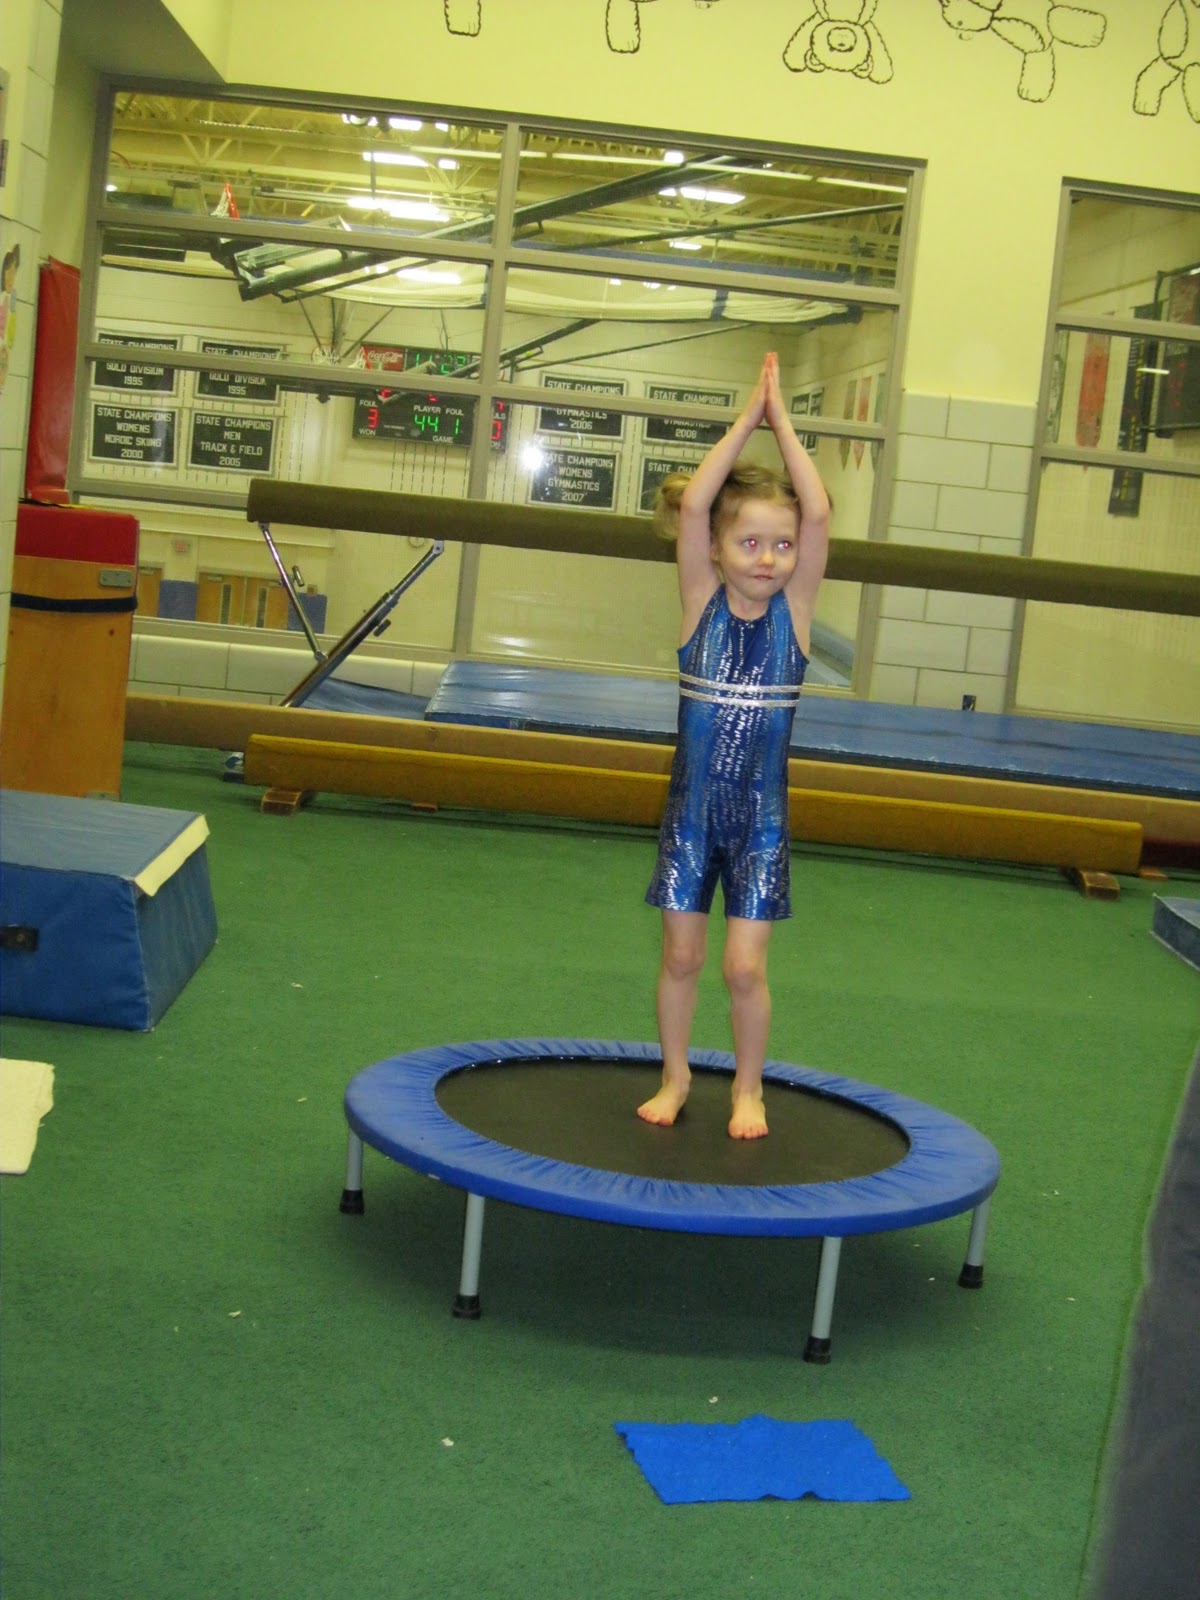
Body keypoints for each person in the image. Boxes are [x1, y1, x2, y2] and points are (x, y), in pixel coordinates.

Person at [639, 351, 829, 1140]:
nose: (769, 559)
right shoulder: (698, 605)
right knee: (681, 959)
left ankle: (748, 1087)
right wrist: (743, 422)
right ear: (718, 550)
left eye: (779, 547)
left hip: (760, 824)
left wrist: (781, 423)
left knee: (743, 967)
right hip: (690, 818)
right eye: (750, 544)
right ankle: (677, 1072)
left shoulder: (797, 616)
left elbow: (816, 515)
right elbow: (694, 512)